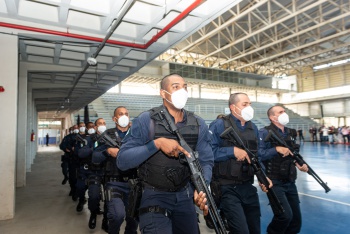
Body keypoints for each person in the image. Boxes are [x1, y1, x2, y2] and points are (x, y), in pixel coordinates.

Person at [117, 73, 212, 234]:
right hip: (154, 195)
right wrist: (156, 144)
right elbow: (122, 160)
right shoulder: (146, 120)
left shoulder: (198, 123)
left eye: (185, 87)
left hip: (185, 194)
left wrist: (201, 187)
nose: (182, 91)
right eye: (175, 87)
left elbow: (206, 160)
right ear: (163, 93)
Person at [209, 92, 271, 234]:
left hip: (247, 186)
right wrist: (232, 151)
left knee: (254, 229)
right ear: (233, 107)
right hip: (226, 187)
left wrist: (263, 177)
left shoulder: (253, 128)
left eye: (250, 104)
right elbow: (208, 153)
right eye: (245, 104)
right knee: (240, 230)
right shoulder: (219, 125)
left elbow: (256, 157)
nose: (249, 107)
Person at [258, 105, 308, 234]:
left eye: (284, 111)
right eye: (280, 112)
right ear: (272, 117)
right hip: (274, 181)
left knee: (296, 220)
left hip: (290, 180)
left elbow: (294, 153)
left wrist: (299, 163)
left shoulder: (290, 132)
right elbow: (259, 154)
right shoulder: (264, 132)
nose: (284, 114)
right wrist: (276, 149)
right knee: (284, 216)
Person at [92, 107, 138, 234]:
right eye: (121, 114)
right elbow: (95, 158)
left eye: (126, 114)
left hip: (134, 183)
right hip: (114, 182)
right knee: (117, 215)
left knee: (133, 219)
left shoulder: (136, 135)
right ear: (114, 118)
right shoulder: (106, 135)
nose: (124, 116)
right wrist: (108, 151)